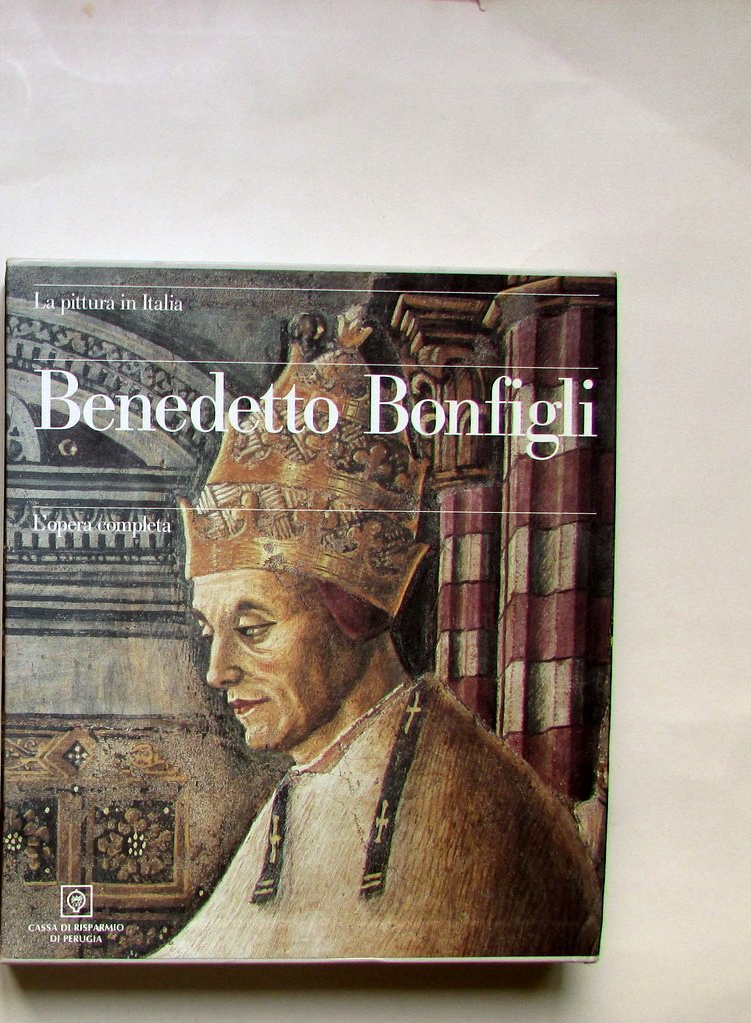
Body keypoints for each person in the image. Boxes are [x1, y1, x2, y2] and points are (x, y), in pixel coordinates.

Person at [154, 312, 600, 960]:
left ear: (355, 610)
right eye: (209, 631)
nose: (217, 669)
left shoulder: (470, 807)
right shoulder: (307, 782)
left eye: (252, 629)